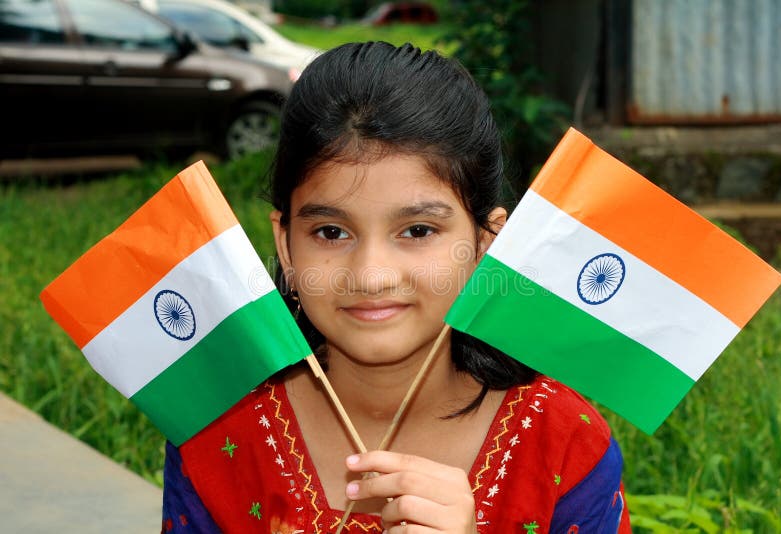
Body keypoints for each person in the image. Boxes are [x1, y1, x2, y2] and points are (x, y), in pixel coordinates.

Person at [161, 41, 631, 534]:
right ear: (285, 244)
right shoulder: (214, 431)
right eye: (331, 232)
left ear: (485, 243)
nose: (372, 275)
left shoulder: (564, 445)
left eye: (418, 231)